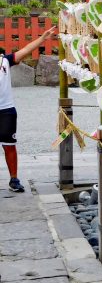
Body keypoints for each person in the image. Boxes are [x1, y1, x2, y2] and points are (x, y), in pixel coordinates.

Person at [2, 27, 57, 193]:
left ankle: (14, 179)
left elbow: (25, 50)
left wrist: (42, 38)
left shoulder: (5, 60)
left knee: (9, 146)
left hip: (6, 109)